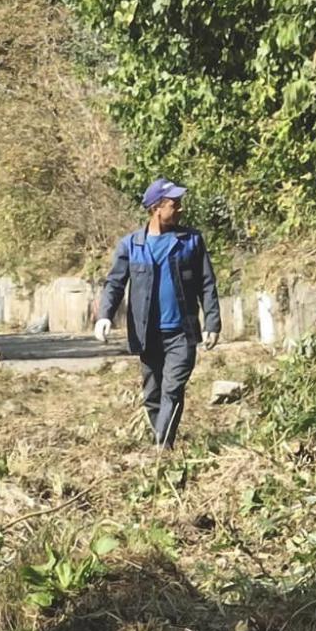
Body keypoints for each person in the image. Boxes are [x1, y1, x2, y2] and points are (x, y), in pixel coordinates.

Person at [96, 178, 221, 449]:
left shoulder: (191, 241)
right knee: (152, 394)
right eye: (174, 204)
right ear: (156, 208)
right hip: (148, 334)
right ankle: (163, 441)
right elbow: (115, 283)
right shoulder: (132, 246)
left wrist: (212, 322)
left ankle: (162, 447)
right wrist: (104, 315)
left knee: (172, 389)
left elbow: (207, 284)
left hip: (181, 333)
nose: (180, 209)